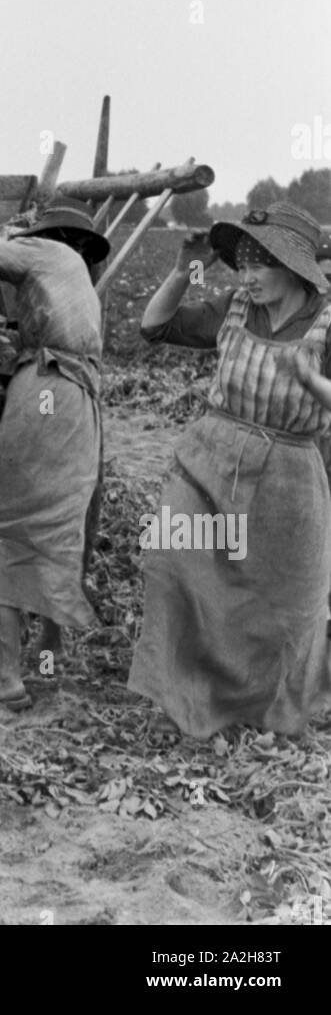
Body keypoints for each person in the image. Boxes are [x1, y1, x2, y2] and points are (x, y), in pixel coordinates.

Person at [128, 203, 331, 738]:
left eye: (260, 265)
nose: (247, 276)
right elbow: (155, 326)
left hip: (290, 473)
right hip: (210, 459)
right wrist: (182, 270)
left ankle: (260, 709)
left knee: (283, 604)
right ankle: (187, 698)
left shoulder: (327, 324)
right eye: (242, 263)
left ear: (294, 267)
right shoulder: (234, 306)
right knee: (174, 563)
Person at [0, 198, 110, 710]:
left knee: (1, 523)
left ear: (48, 237)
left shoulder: (44, 253)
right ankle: (50, 643)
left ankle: (7, 676)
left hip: (45, 389)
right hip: (80, 401)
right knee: (59, 518)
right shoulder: (79, 282)